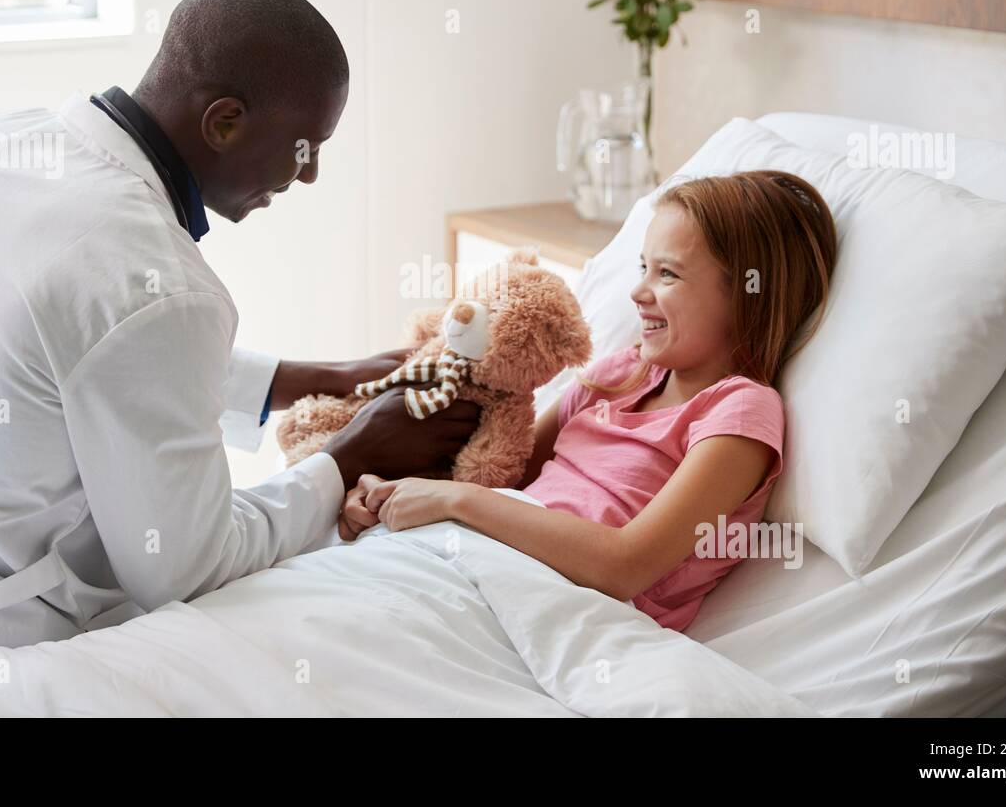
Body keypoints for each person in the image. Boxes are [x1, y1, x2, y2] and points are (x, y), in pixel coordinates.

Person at [0, 0, 479, 661]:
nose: (307, 176)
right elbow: (188, 567)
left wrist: (314, 378)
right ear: (224, 122)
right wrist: (352, 454)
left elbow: (81, 350)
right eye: (307, 147)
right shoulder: (154, 285)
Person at [339, 170, 838, 632]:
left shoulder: (739, 412)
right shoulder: (621, 374)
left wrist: (457, 500)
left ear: (748, 293)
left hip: (570, 608)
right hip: (480, 562)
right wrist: (396, 494)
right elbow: (507, 473)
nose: (638, 291)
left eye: (669, 274)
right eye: (644, 267)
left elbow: (626, 565)